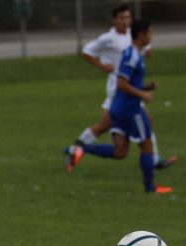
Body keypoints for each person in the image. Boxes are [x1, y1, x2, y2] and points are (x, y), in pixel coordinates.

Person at [63, 4, 175, 172]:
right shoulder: (108, 38)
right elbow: (86, 51)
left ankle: (75, 149)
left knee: (105, 126)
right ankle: (152, 160)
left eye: (128, 17)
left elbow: (146, 53)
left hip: (128, 88)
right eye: (122, 18)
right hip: (118, 89)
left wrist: (144, 82)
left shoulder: (135, 35)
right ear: (114, 20)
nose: (125, 21)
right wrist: (102, 66)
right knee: (112, 125)